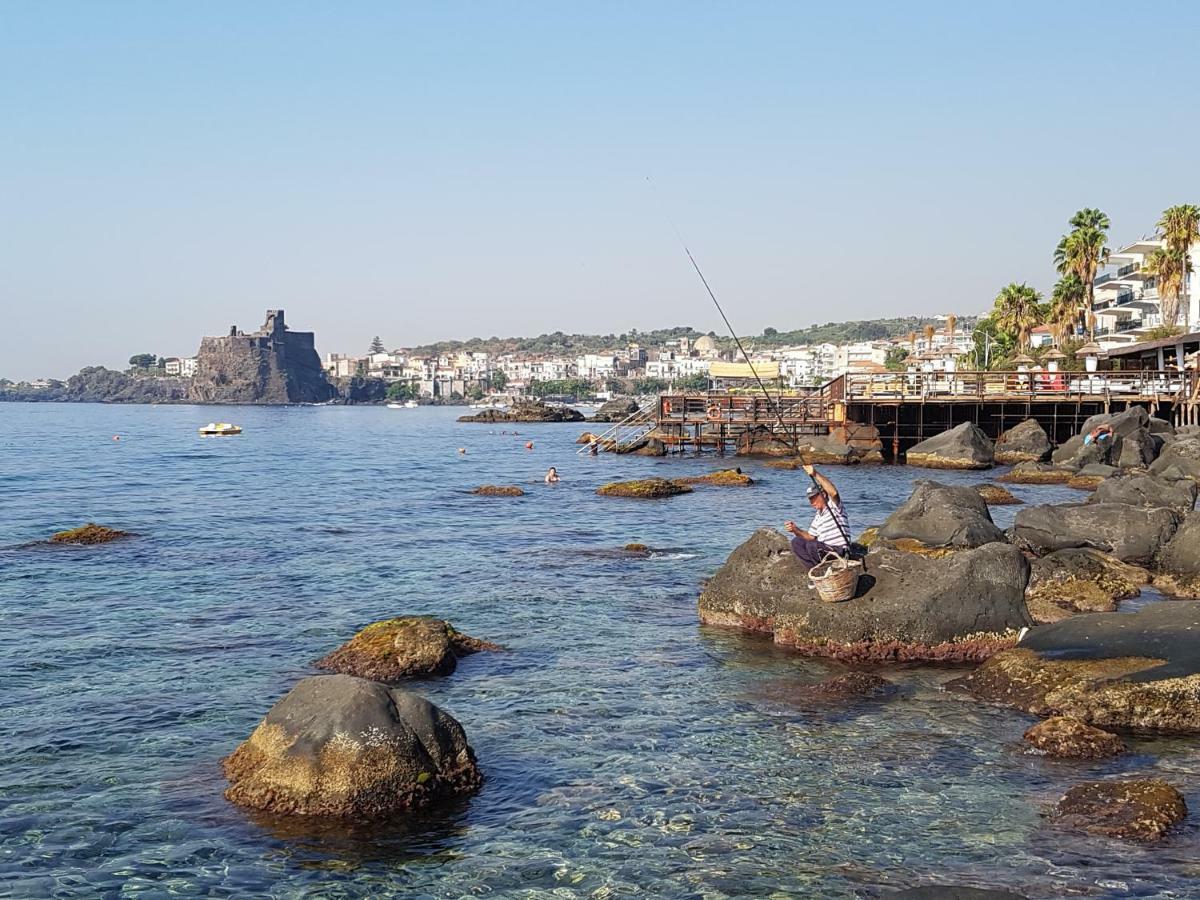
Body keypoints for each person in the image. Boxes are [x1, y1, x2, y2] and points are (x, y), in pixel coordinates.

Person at [784, 464, 850, 569]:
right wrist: (795, 530)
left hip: (838, 550)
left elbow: (833, 492)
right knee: (796, 542)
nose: (812, 503)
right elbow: (810, 537)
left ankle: (821, 569)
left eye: (814, 498)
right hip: (823, 549)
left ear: (823, 495)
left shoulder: (834, 506)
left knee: (812, 545)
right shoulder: (818, 516)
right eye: (810, 500)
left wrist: (815, 473)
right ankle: (815, 571)